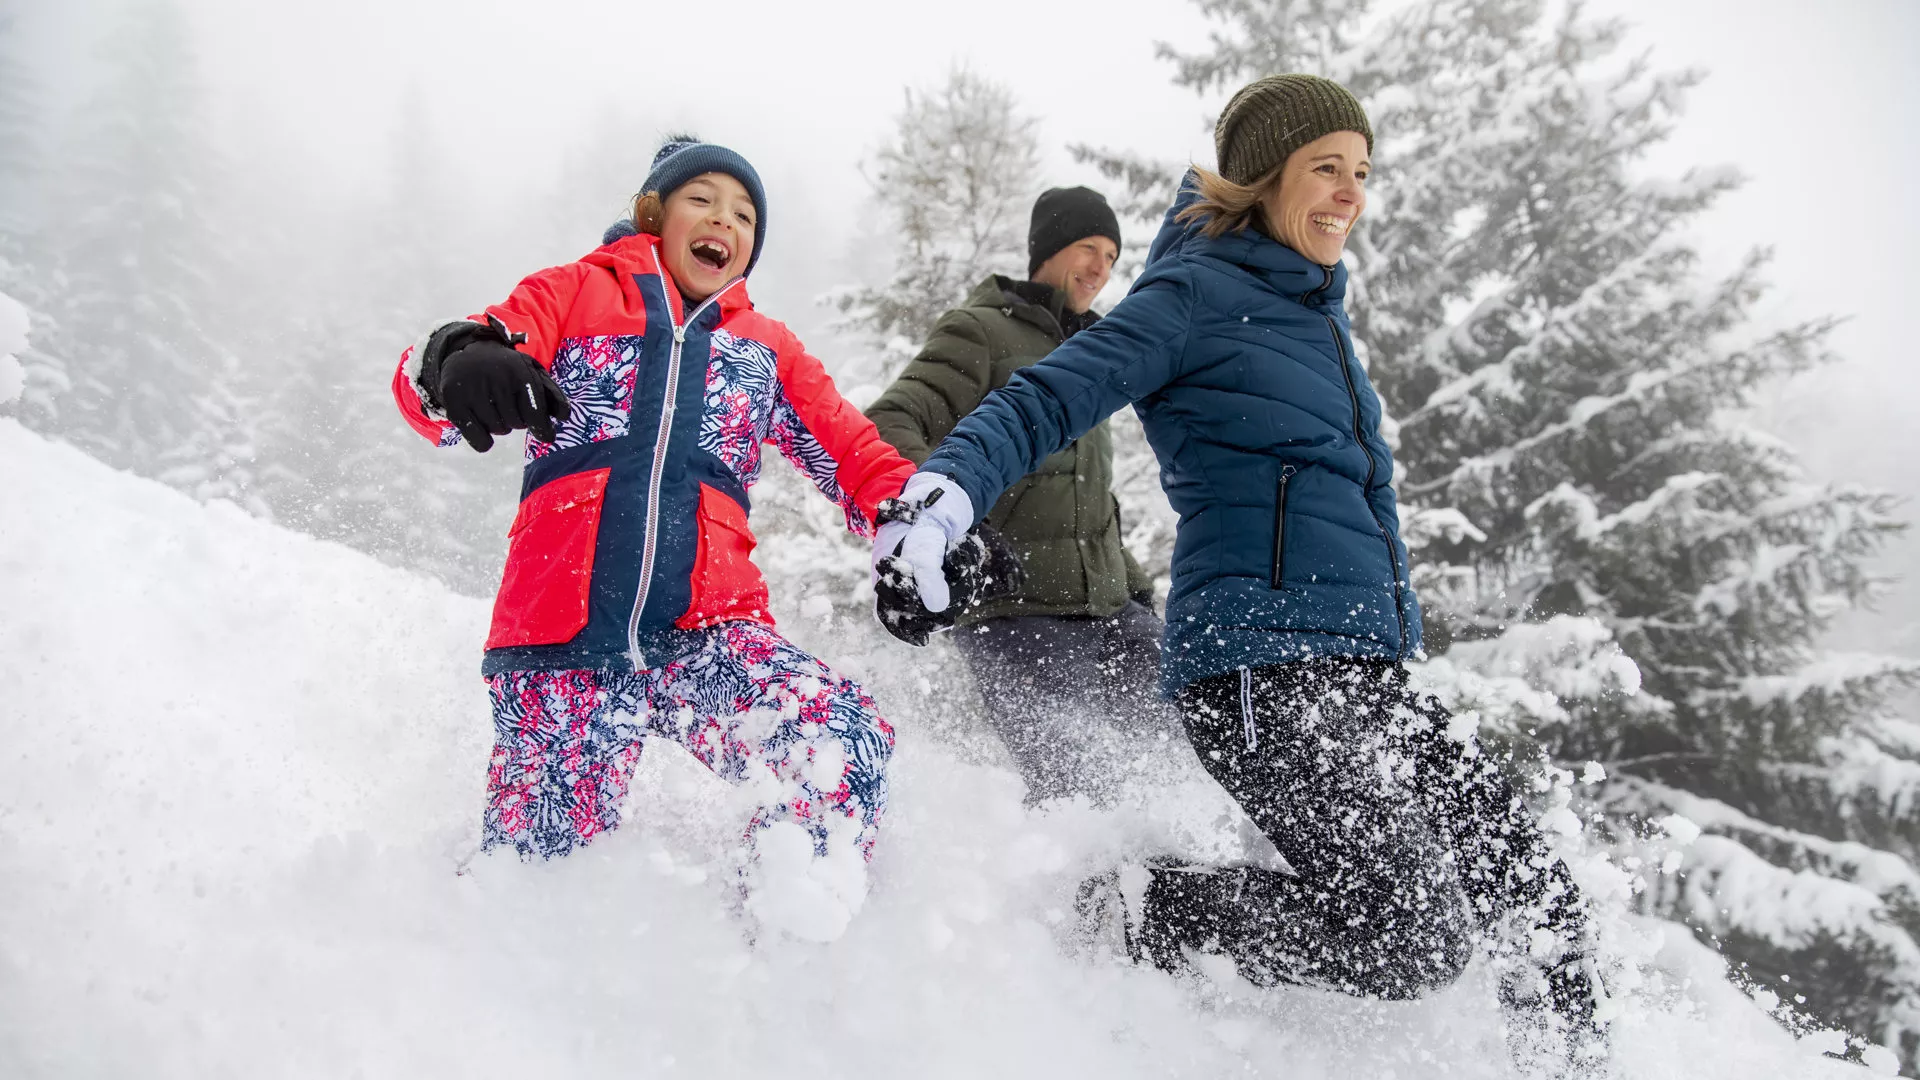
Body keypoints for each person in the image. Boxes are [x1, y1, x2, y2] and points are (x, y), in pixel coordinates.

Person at [871, 77, 1608, 1069]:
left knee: (1532, 886)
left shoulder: (1316, 316)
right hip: (1260, 674)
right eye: (1325, 170)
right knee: (1412, 933)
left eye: (1360, 173)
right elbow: (1041, 401)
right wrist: (940, 500)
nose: (1349, 193)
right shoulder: (1192, 296)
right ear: (1262, 181)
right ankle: (1142, 910)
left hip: (1365, 672)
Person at [391, 136, 916, 942]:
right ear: (654, 215)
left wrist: (920, 525)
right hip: (564, 640)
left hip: (706, 634)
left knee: (838, 744)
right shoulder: (574, 292)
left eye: (745, 214)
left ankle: (779, 957)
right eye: (703, 200)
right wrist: (460, 358)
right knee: (535, 890)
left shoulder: (765, 350)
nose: (725, 222)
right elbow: (458, 362)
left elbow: (854, 453)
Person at [865, 187, 1176, 803]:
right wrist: (960, 527)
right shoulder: (980, 331)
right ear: (1048, 249)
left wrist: (1135, 585)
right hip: (1018, 611)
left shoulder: (1089, 352)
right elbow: (891, 420)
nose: (1100, 269)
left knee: (1192, 750)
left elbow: (1084, 497)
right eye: (1088, 248)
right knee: (1079, 791)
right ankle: (1072, 897)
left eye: (1112, 257)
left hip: (1110, 609)